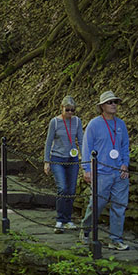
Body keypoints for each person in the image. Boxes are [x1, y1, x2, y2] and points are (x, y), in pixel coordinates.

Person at [80, 91, 131, 251]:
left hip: (119, 173)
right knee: (97, 205)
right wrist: (87, 169)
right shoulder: (94, 124)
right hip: (101, 172)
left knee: (119, 206)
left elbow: (125, 146)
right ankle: (86, 229)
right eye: (110, 102)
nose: (114, 105)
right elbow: (87, 147)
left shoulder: (121, 124)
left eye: (115, 102)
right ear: (102, 106)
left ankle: (115, 240)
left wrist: (125, 164)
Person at [44, 95, 83, 233]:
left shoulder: (77, 121)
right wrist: (46, 161)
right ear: (62, 108)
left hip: (72, 159)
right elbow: (48, 142)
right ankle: (60, 220)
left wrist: (85, 159)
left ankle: (68, 219)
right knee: (63, 188)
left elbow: (81, 141)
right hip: (57, 158)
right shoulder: (54, 122)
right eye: (67, 110)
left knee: (71, 190)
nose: (70, 113)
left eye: (72, 110)